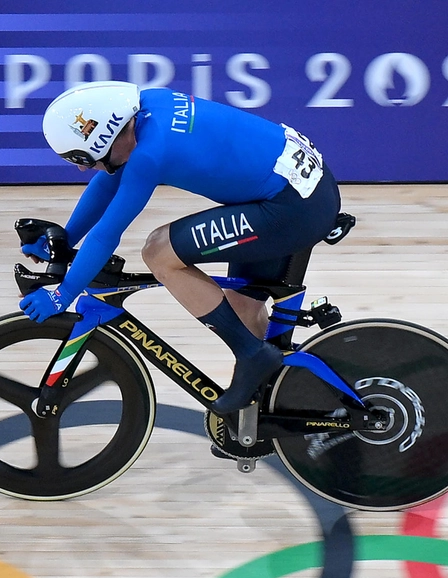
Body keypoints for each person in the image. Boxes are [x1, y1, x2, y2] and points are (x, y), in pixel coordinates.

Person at [18, 80, 341, 414]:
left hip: (289, 209)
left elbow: (106, 235)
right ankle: (287, 399)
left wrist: (63, 293)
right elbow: (108, 180)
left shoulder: (149, 155)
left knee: (159, 251)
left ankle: (253, 356)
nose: (82, 167)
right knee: (243, 310)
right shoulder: (146, 109)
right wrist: (66, 238)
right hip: (299, 190)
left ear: (104, 136)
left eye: (80, 156)